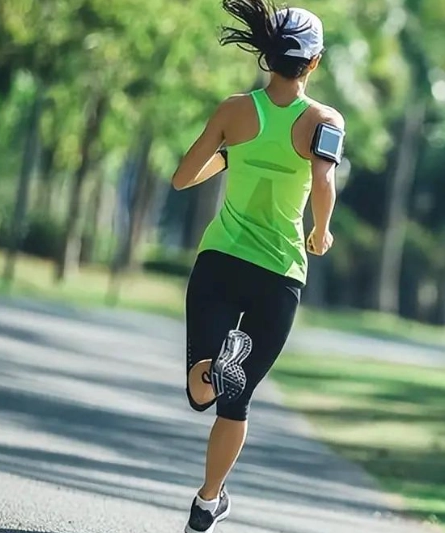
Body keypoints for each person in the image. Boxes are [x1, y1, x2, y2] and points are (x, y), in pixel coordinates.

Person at [169, 1, 345, 531]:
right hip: (279, 274)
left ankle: (215, 362)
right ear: (312, 63)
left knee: (202, 390)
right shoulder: (324, 121)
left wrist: (231, 154)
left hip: (221, 260)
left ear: (267, 56)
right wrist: (320, 230)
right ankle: (207, 501)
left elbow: (182, 178)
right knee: (235, 400)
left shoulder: (233, 110)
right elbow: (322, 182)